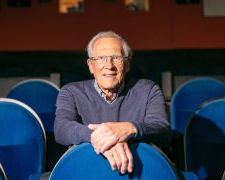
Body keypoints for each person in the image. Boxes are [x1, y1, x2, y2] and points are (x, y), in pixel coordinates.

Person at [54, 31, 170, 174]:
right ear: (90, 65)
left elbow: (162, 129)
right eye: (101, 58)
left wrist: (129, 129)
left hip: (140, 173)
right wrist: (104, 137)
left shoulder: (148, 89)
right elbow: (61, 129)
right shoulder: (71, 92)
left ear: (127, 64)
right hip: (86, 172)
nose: (109, 65)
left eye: (116, 57)